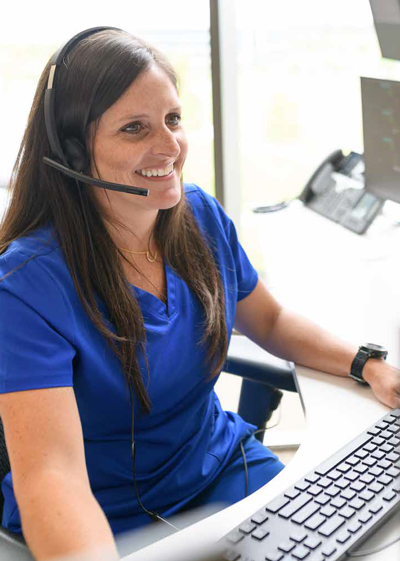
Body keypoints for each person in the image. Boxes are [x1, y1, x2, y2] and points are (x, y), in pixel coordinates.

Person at [0, 27, 399, 561]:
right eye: (135, 128)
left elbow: (271, 322)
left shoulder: (199, 218)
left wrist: (367, 363)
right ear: (73, 152)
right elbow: (54, 478)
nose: (169, 147)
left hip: (223, 469)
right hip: (107, 521)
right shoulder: (25, 288)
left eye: (173, 119)